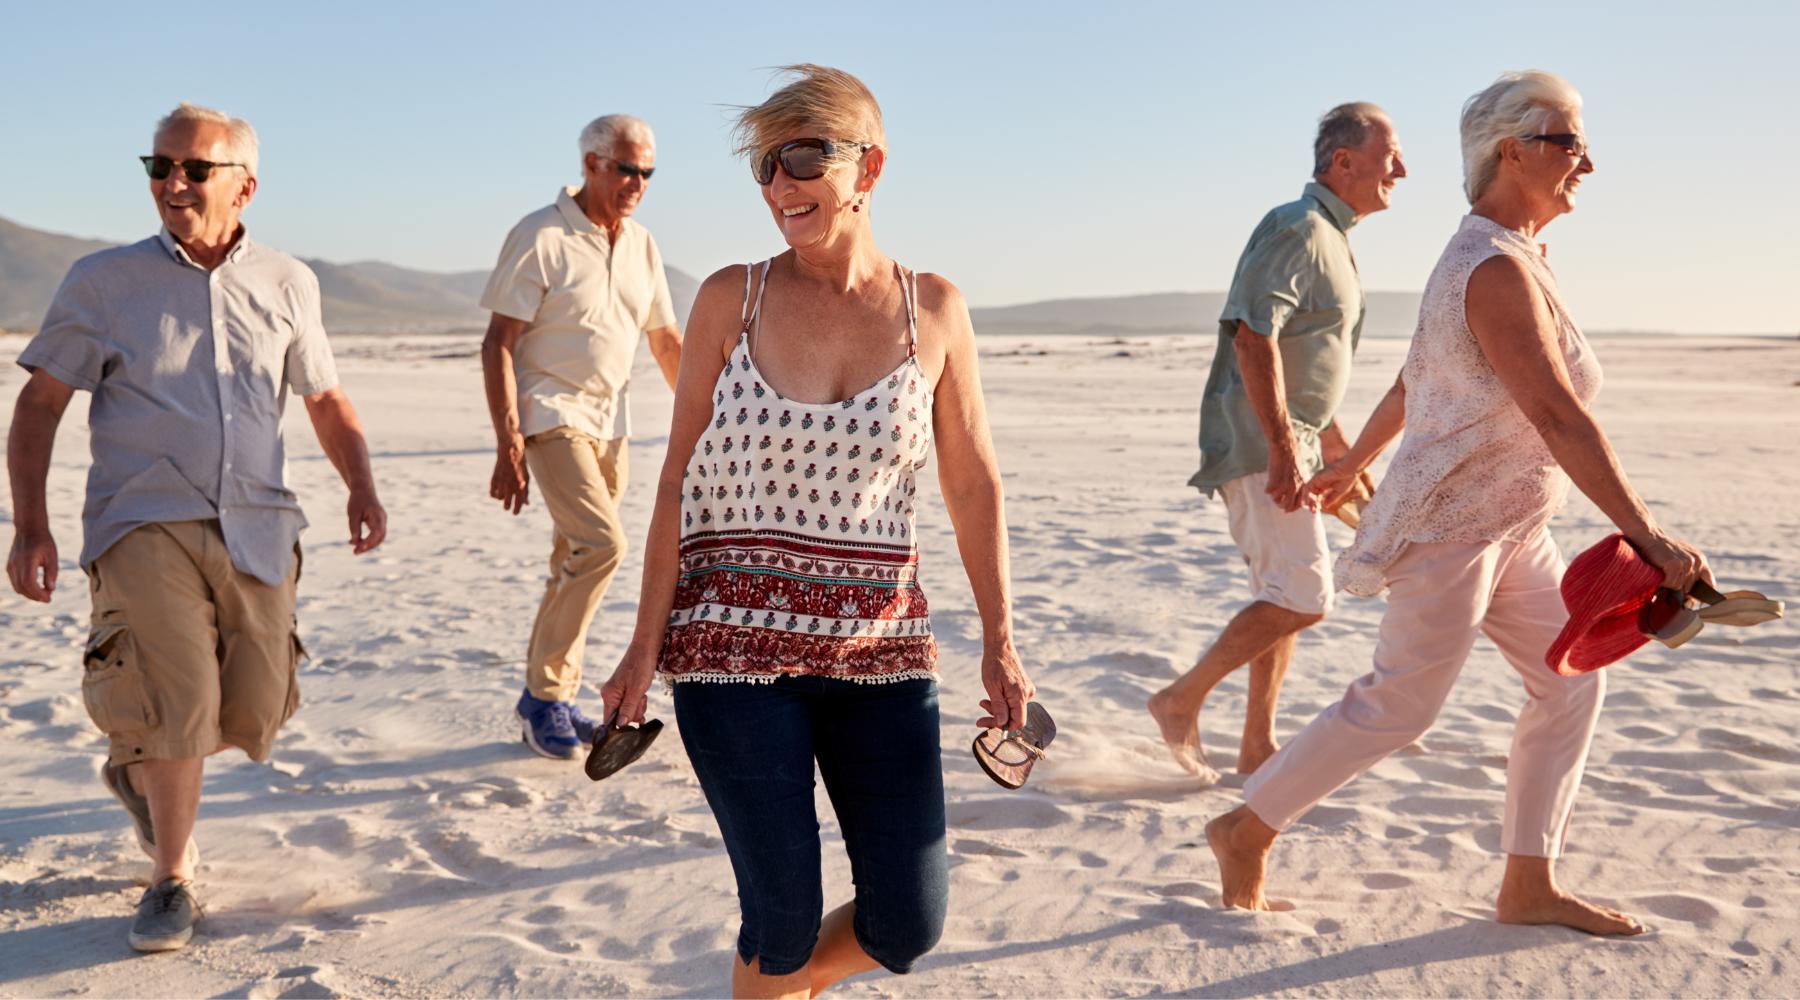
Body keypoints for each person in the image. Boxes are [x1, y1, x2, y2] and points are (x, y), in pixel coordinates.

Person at [1206, 70, 1711, 936]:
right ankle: (1244, 827)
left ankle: (1528, 884)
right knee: (1400, 704)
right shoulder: (1491, 269)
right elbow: (1558, 414)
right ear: (1511, 152)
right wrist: (1647, 535)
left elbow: (1420, 376)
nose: (1586, 161)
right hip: (1452, 528)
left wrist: (1356, 456)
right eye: (1569, 142)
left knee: (1568, 684)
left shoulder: (1515, 259)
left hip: (1515, 526)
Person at [598, 65, 1036, 997]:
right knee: (782, 922)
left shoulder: (935, 312)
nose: (780, 187)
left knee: (909, 923)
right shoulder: (732, 298)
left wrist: (1001, 640)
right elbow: (674, 479)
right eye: (764, 167)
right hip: (730, 656)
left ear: (867, 167)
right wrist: (643, 647)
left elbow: (973, 482)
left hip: (880, 653)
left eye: (803, 158)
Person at [5, 102, 387, 951]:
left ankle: (139, 770)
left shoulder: (290, 281)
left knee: (253, 706)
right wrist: (30, 526)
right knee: (178, 694)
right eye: (159, 167)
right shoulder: (103, 282)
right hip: (142, 518)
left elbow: (323, 395)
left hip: (258, 518)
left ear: (244, 185)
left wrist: (360, 483)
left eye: (194, 169)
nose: (172, 183)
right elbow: (39, 404)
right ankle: (171, 876)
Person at [1149, 103, 1406, 778]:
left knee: (1281, 593)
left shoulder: (1332, 235)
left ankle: (1255, 743)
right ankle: (1180, 700)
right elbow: (1253, 333)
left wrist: (1345, 457)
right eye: (1390, 156)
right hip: (1267, 446)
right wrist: (1288, 454)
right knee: (1303, 597)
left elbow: (1312, 371)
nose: (1401, 171)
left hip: (1295, 442)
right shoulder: (1300, 228)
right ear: (1342, 161)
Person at [480, 114, 683, 759]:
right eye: (626, 168)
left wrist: (711, 421)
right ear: (591, 164)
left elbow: (665, 340)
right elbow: (498, 344)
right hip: (549, 412)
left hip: (613, 422)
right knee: (602, 547)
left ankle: (549, 699)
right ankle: (546, 699)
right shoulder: (540, 235)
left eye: (647, 171)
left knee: (573, 558)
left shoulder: (643, 245)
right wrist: (507, 439)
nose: (637, 182)